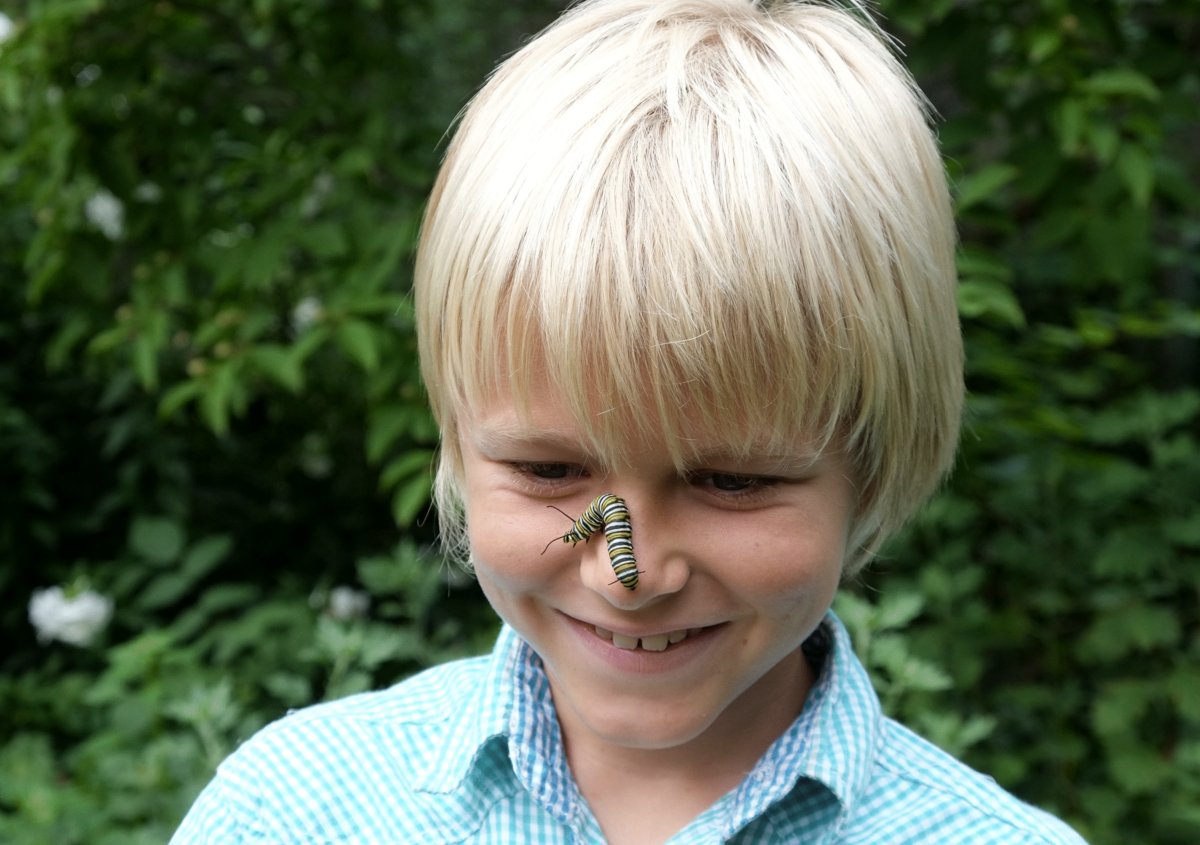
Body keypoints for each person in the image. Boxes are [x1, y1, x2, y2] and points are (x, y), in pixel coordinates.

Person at [171, 0, 1089, 842]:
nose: (629, 571)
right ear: (456, 438)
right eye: (548, 470)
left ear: (876, 464)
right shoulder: (290, 811)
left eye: (732, 480)